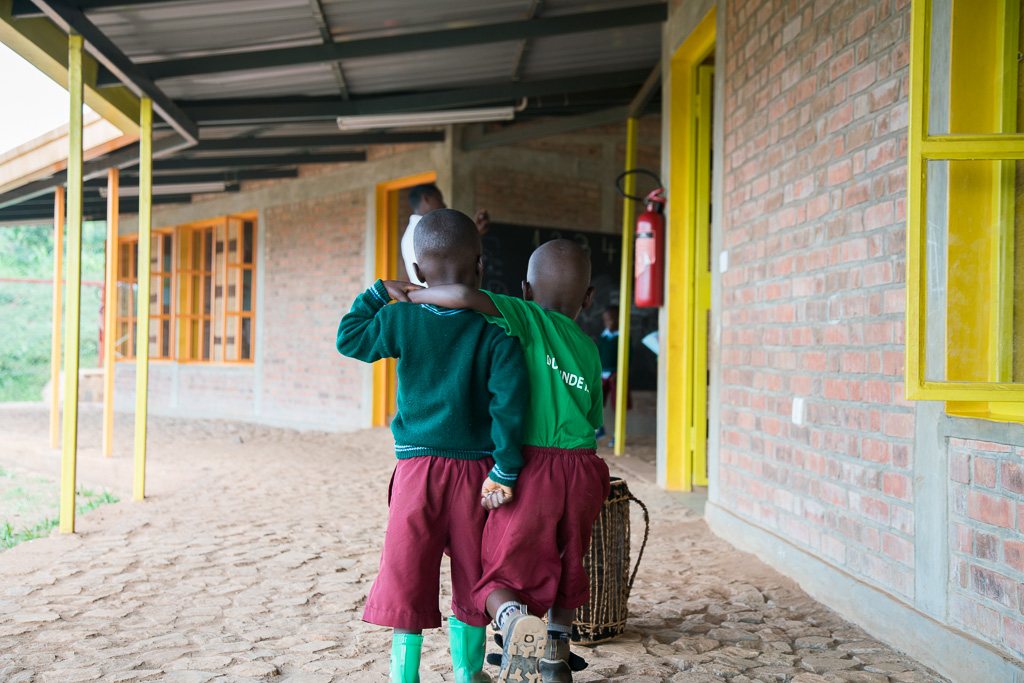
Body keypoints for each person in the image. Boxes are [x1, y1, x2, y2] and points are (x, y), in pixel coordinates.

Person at [336, 209, 529, 683]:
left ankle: (405, 676)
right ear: (480, 265)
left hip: (416, 470)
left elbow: (350, 339)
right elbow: (510, 407)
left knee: (407, 570)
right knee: (472, 568)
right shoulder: (496, 330)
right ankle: (467, 674)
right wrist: (505, 469)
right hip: (477, 474)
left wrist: (382, 290)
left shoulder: (401, 319)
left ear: (419, 272)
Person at [406, 239, 610, 683]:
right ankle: (556, 657)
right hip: (584, 470)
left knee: (495, 569)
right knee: (569, 559)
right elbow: (594, 419)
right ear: (589, 298)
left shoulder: (526, 316)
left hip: (534, 469)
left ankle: (514, 621)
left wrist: (413, 293)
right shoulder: (591, 349)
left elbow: (461, 295)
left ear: (526, 290)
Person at [401, 183, 490, 286]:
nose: (444, 205)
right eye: (439, 199)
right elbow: (453, 256)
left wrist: (473, 232)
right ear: (426, 198)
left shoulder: (412, 232)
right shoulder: (429, 231)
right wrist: (474, 234)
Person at [595, 305, 630, 446]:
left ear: (618, 319)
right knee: (596, 402)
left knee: (618, 405)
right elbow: (598, 356)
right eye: (605, 320)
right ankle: (599, 429)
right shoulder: (603, 337)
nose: (608, 323)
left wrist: (620, 372)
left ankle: (618, 435)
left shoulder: (622, 336)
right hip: (602, 375)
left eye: (610, 319)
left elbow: (628, 356)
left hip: (616, 376)